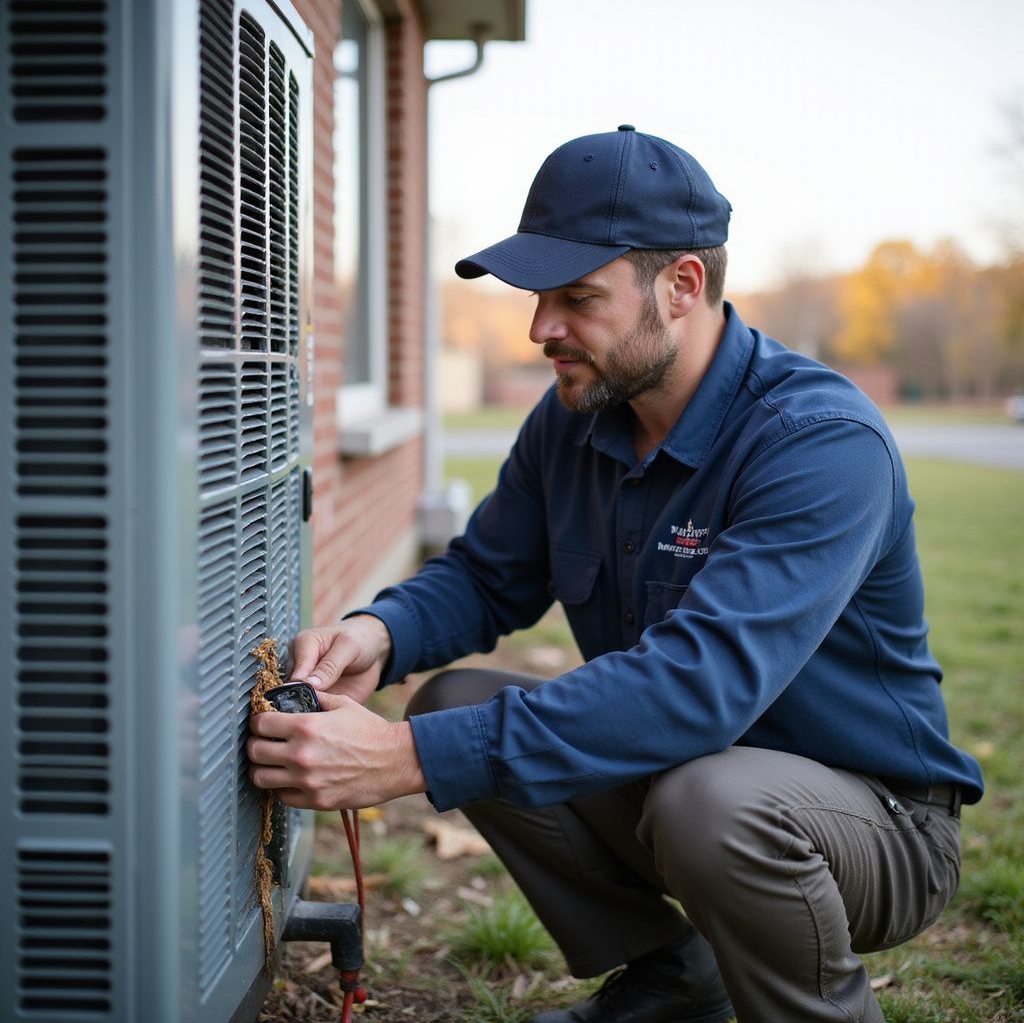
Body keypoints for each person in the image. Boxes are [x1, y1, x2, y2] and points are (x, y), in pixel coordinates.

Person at [248, 126, 984, 1023]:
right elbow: (486, 576)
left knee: (707, 802)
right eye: (537, 296)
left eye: (576, 298)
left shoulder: (819, 443)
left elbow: (696, 688)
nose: (540, 329)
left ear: (682, 286)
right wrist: (380, 633)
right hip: (694, 783)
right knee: (453, 704)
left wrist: (403, 759)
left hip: (878, 825)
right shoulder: (577, 413)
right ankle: (677, 981)